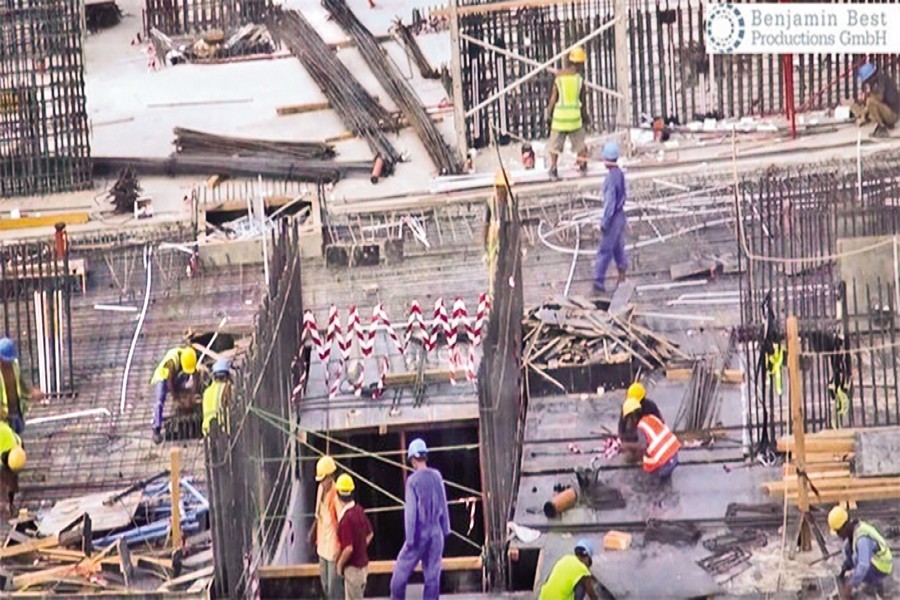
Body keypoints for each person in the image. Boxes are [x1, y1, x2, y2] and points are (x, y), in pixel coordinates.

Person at [390, 438, 450, 600]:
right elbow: (444, 504)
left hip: (419, 534)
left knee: (400, 574)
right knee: (432, 578)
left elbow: (411, 514)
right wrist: (445, 529)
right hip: (436, 534)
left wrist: (410, 540)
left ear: (413, 459)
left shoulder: (412, 481)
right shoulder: (437, 476)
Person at [828, 505, 893, 598]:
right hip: (874, 559)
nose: (838, 535)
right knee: (848, 548)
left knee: (857, 568)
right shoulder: (854, 529)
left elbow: (863, 565)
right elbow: (851, 551)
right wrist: (844, 569)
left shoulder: (862, 539)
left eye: (838, 532)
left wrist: (850, 585)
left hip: (882, 566)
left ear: (845, 526)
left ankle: (874, 586)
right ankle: (869, 581)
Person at [546, 46, 589, 180]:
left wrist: (548, 113)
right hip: (574, 119)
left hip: (560, 119)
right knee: (580, 145)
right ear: (580, 64)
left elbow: (553, 98)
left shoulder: (559, 78)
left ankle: (553, 168)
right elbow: (582, 103)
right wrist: (586, 117)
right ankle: (582, 165)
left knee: (554, 146)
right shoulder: (579, 80)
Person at [593, 142, 627, 294]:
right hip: (620, 216)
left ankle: (598, 281)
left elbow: (609, 204)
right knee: (618, 248)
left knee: (605, 250)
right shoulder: (619, 173)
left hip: (613, 219)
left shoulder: (610, 180)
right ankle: (622, 273)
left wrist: (604, 223)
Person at [620, 397, 680, 479]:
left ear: (632, 417)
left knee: (651, 483)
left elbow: (642, 446)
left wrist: (627, 445)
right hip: (674, 455)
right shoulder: (652, 418)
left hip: (664, 461)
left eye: (628, 419)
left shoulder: (641, 427)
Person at [335, 474, 374, 600]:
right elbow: (370, 534)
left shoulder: (345, 520)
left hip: (353, 570)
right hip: (363, 569)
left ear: (338, 495)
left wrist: (339, 566)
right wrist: (361, 547)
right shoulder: (359, 510)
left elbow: (348, 549)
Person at [150, 345, 199, 444]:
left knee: (185, 386)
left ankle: (184, 409)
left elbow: (195, 374)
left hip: (175, 376)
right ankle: (156, 428)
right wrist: (176, 397)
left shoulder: (189, 357)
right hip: (162, 378)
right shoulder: (172, 361)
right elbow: (169, 381)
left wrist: (193, 393)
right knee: (159, 402)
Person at [310, 455, 343, 599]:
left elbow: (342, 523)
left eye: (324, 479)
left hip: (333, 549)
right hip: (322, 546)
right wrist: (312, 532)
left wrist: (342, 549)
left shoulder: (336, 496)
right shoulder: (320, 489)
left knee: (333, 587)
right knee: (325, 585)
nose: (322, 482)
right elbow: (318, 515)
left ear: (331, 476)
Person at [0, 337, 43, 435]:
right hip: (3, 418)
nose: (9, 363)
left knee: (18, 439)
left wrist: (33, 394)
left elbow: (22, 385)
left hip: (16, 412)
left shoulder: (15, 366)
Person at [854, 63, 899, 138]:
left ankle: (882, 128)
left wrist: (864, 115)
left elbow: (878, 98)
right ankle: (884, 124)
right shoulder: (877, 81)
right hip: (888, 111)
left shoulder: (881, 80)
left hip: (893, 114)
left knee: (870, 102)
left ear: (870, 77)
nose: (867, 83)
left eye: (867, 81)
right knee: (863, 105)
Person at [0, 421, 26, 517]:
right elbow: (20, 442)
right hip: (14, 459)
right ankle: (10, 506)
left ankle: (6, 508)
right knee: (10, 486)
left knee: (4, 486)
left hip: (7, 460)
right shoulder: (6, 428)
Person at [202, 359, 232, 437]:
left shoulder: (206, 391)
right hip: (220, 429)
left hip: (206, 430)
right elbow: (230, 405)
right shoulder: (225, 387)